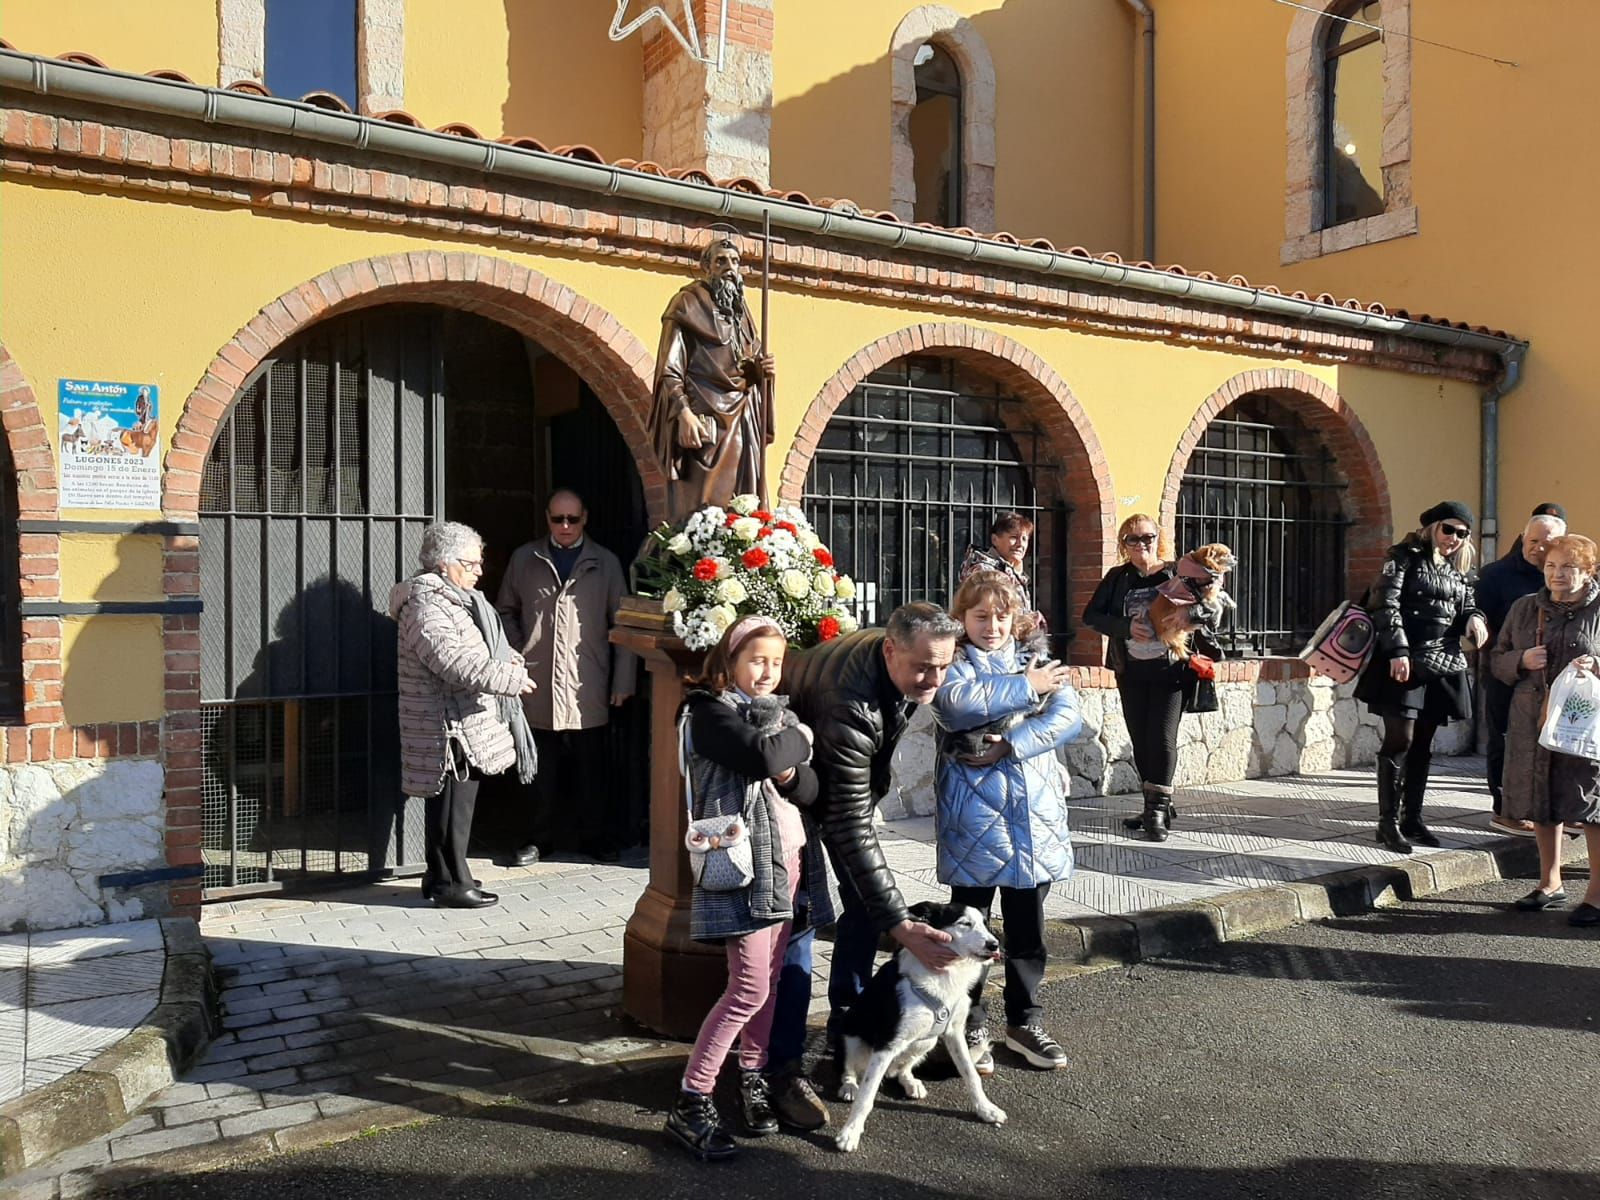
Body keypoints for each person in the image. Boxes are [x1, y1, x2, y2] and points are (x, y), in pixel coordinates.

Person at [762, 602, 964, 1128]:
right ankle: (781, 1070)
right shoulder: (848, 701)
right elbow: (845, 820)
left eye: (943, 666)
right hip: (787, 795)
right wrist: (901, 924)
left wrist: (885, 912)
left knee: (862, 903)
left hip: (832, 785)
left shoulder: (902, 655)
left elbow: (854, 808)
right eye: (923, 667)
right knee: (801, 921)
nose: (934, 679)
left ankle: (852, 1028)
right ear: (891, 650)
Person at [665, 616, 838, 1161]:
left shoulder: (779, 717)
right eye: (756, 660)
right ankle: (691, 1100)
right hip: (742, 864)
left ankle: (752, 1075)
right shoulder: (705, 710)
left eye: (776, 662)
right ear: (731, 661)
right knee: (747, 988)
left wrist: (793, 756)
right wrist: (802, 741)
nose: (767, 672)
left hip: (788, 860)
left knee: (767, 980)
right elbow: (764, 757)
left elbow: (810, 788)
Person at [933, 571, 1081, 1073]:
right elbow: (955, 708)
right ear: (962, 620)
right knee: (968, 928)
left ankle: (1024, 1020)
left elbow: (1066, 716)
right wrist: (1026, 688)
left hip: (1032, 816)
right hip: (972, 820)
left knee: (1028, 931)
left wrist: (1013, 743)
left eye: (1001, 616)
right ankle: (968, 1020)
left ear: (1015, 619)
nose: (991, 626)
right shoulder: (952, 665)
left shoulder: (1035, 658)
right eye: (980, 617)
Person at [391, 522, 537, 909]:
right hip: (448, 724)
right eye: (471, 563)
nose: (479, 571)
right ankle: (451, 881)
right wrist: (508, 678)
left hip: (461, 720)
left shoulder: (455, 599)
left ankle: (443, 875)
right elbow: (452, 661)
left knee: (456, 802)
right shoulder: (427, 604)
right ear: (444, 564)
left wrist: (508, 659)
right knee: (453, 802)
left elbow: (480, 649)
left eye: (479, 562)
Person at [495, 489, 636, 864]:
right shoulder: (525, 559)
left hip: (587, 680)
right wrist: (517, 651)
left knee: (593, 770)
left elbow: (622, 623)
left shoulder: (605, 563)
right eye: (558, 519)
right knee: (538, 770)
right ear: (547, 518)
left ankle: (594, 837)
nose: (566, 526)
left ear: (585, 517)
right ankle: (536, 840)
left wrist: (624, 681)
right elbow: (504, 611)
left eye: (572, 519)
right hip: (536, 681)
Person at [1354, 501, 1489, 854]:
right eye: (1449, 529)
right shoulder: (1402, 556)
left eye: (1463, 533)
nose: (1455, 538)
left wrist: (1475, 618)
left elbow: (1467, 603)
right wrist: (1398, 651)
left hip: (1441, 661)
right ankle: (1387, 824)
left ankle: (1412, 818)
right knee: (1401, 739)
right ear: (1431, 527)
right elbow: (1385, 603)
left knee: (1423, 744)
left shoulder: (1459, 568)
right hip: (1403, 659)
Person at [1082, 514, 1220, 841]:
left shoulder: (1178, 572)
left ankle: (1157, 812)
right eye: (1133, 539)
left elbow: (1213, 611)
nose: (1142, 544)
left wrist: (1181, 618)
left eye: (1147, 537)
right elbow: (1091, 615)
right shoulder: (1118, 578)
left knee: (1161, 737)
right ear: (1124, 545)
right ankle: (1153, 805)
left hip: (1171, 669)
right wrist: (1126, 627)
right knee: (1141, 739)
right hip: (1130, 670)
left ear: (1158, 539)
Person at [1489, 533, 1600, 925]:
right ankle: (1549, 882)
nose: (1557, 575)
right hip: (1532, 719)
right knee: (1542, 801)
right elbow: (1496, 660)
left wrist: (1596, 666)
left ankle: (1596, 895)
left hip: (1585, 724)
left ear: (1588, 571)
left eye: (1568, 567)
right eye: (1551, 566)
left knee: (1590, 805)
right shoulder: (1524, 608)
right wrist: (1521, 659)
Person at [648, 234, 777, 522]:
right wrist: (683, 413)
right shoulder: (686, 304)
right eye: (721, 261)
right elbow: (669, 369)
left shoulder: (741, 312)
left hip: (743, 419)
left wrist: (762, 371)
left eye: (735, 261)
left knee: (744, 507)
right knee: (700, 508)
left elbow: (747, 362)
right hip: (707, 419)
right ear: (706, 266)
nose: (729, 267)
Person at [1476, 509, 1566, 834]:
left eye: (1547, 543)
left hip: (1551, 680)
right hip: (1505, 674)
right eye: (1533, 541)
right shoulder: (1495, 576)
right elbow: (1478, 619)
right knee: (1504, 740)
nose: (1538, 549)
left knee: (1550, 744)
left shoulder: (1564, 576)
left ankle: (1549, 807)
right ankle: (1505, 809)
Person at [957, 511, 1045, 642]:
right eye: (1014, 537)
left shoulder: (1011, 569)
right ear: (995, 540)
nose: (1020, 544)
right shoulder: (983, 571)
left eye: (1025, 539)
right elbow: (990, 610)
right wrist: (1026, 620)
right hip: (990, 642)